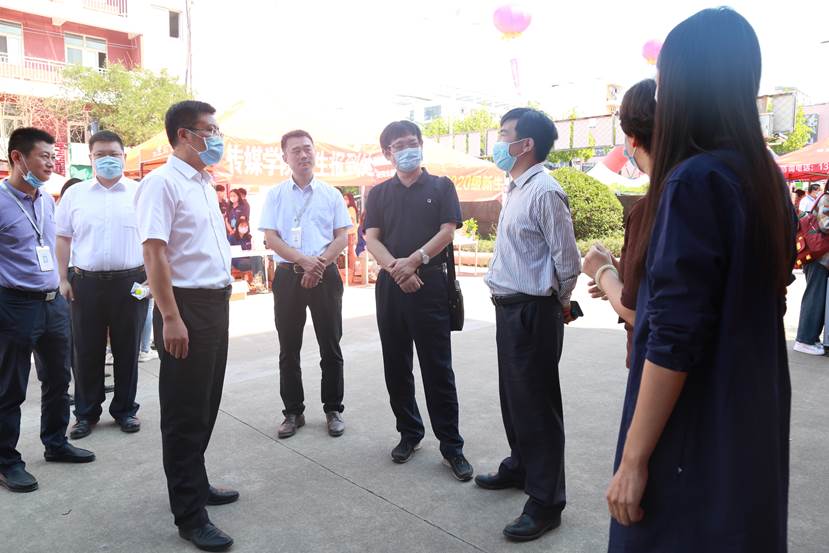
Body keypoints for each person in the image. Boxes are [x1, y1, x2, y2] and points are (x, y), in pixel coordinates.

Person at [583, 8, 793, 551]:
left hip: (694, 424)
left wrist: (634, 459)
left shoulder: (693, 181)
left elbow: (673, 336)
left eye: (663, 80)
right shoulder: (764, 177)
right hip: (749, 409)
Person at [135, 100, 238, 552]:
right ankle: (190, 516)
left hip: (215, 302)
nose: (216, 138)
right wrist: (171, 316)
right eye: (209, 130)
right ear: (184, 134)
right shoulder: (161, 183)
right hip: (186, 306)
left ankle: (195, 482)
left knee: (206, 403)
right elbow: (154, 253)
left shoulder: (203, 182)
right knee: (184, 412)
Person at [478, 108, 580, 542]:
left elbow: (568, 261)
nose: (498, 142)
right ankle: (520, 466)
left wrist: (558, 302)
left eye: (505, 135)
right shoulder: (515, 188)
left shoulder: (545, 191)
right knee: (514, 397)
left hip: (533, 310)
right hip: (508, 308)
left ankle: (546, 501)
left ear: (526, 145)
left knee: (537, 405)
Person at [364, 120, 474, 481]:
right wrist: (397, 269)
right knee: (396, 365)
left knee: (437, 368)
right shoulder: (379, 193)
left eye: (412, 142)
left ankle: (451, 446)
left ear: (421, 145)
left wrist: (415, 261)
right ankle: (409, 432)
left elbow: (448, 231)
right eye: (399, 146)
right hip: (391, 285)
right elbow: (371, 238)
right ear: (387, 153)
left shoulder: (441, 186)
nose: (407, 150)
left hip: (430, 284)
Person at [0, 127, 95, 494]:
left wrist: (61, 282)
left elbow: (51, 247)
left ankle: (55, 443)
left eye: (53, 156)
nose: (51, 163)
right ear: (18, 158)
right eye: (44, 156)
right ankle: (7, 461)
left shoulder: (46, 201)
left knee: (58, 379)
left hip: (52, 301)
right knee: (11, 386)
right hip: (14, 304)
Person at [259, 129, 351, 439]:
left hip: (326, 275)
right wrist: (303, 261)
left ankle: (333, 409)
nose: (303, 154)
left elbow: (342, 236)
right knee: (289, 348)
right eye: (296, 150)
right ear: (285, 157)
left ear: (315, 152)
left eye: (308, 148)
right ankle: (293, 412)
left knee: (331, 345)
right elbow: (271, 238)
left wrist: (319, 264)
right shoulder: (275, 195)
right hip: (288, 276)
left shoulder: (331, 194)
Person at [55, 130, 146, 439]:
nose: (108, 160)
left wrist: (150, 280)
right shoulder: (75, 195)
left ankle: (125, 410)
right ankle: (85, 413)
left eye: (114, 154)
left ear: (124, 156)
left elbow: (155, 238)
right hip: (85, 283)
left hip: (131, 282)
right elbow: (62, 237)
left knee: (127, 349)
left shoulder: (140, 192)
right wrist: (62, 278)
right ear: (90, 158)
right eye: (101, 155)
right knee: (85, 351)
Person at [582, 79, 656, 368]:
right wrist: (617, 269)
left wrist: (602, 273)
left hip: (653, 363)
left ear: (632, 137)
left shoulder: (652, 208)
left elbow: (636, 312)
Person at [795, 178, 829, 355]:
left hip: (820, 258)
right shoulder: (826, 198)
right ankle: (804, 340)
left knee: (818, 298)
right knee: (814, 298)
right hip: (818, 258)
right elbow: (825, 225)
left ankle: (811, 338)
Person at [228, 216, 266, 288]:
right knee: (257, 261)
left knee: (259, 258)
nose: (244, 227)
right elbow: (229, 251)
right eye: (242, 225)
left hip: (249, 259)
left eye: (246, 226)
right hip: (237, 261)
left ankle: (260, 282)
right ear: (237, 226)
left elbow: (253, 250)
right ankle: (260, 283)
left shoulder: (249, 237)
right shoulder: (232, 238)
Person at [344, 192, 359, 284]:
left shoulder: (350, 209)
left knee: (351, 252)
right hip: (349, 233)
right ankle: (351, 272)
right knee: (350, 252)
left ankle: (352, 271)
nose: (344, 200)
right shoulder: (350, 209)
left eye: (346, 198)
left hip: (351, 233)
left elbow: (351, 220)